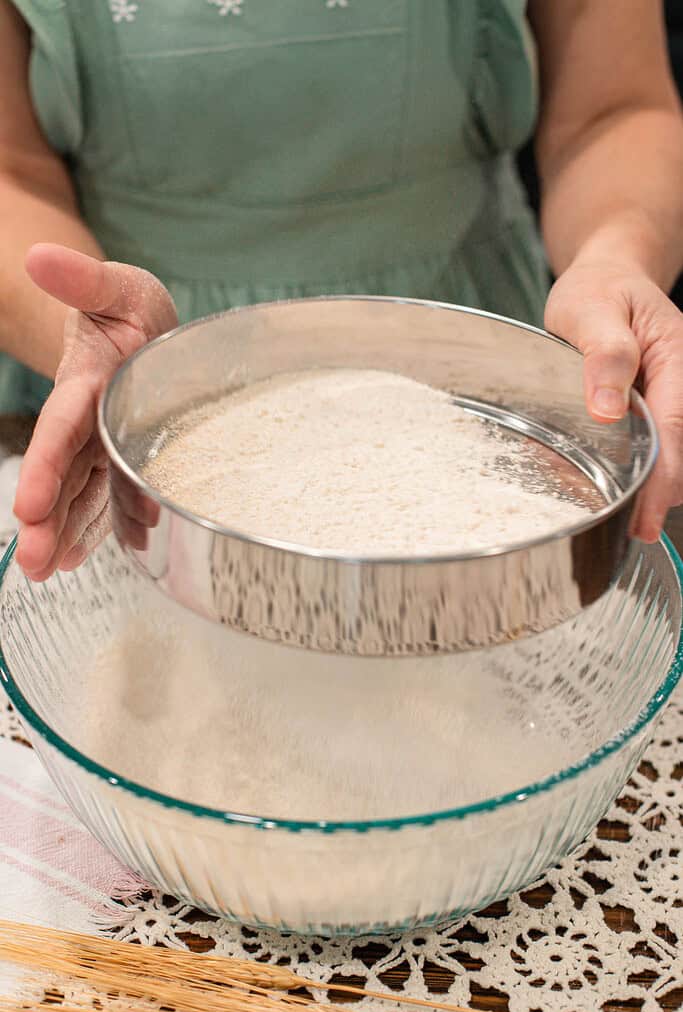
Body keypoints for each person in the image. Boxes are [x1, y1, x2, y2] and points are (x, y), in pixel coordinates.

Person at [1, 1, 682, 583]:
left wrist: (613, 255)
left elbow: (610, 110)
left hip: (477, 376)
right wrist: (85, 323)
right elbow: (11, 170)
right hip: (142, 386)